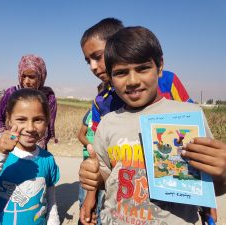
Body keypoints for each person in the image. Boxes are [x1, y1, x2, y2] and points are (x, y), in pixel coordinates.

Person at [79, 26, 226, 225]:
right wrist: (94, 178)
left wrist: (223, 173)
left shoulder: (188, 115)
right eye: (121, 73)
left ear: (160, 66)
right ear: (111, 77)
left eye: (142, 68)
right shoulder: (108, 122)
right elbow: (107, 176)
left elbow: (210, 186)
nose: (132, 81)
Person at [0, 88, 60, 225]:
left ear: (47, 121)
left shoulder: (47, 159)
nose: (30, 128)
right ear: (8, 120)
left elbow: (50, 202)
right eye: (21, 119)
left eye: (38, 120)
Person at [80, 18, 193, 132]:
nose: (93, 66)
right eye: (88, 61)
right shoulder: (100, 102)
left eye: (98, 56)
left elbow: (192, 122)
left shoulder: (168, 81)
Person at [0, 54, 57, 149]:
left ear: (41, 77)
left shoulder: (48, 97)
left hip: (37, 147)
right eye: (23, 76)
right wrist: (7, 140)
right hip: (12, 145)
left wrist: (34, 149)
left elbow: (48, 125)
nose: (26, 81)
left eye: (32, 77)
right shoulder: (11, 93)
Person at [77, 82, 105, 225]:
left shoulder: (112, 115)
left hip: (104, 162)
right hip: (89, 159)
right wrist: (89, 145)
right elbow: (81, 134)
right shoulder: (90, 113)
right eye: (100, 96)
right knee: (84, 197)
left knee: (100, 200)